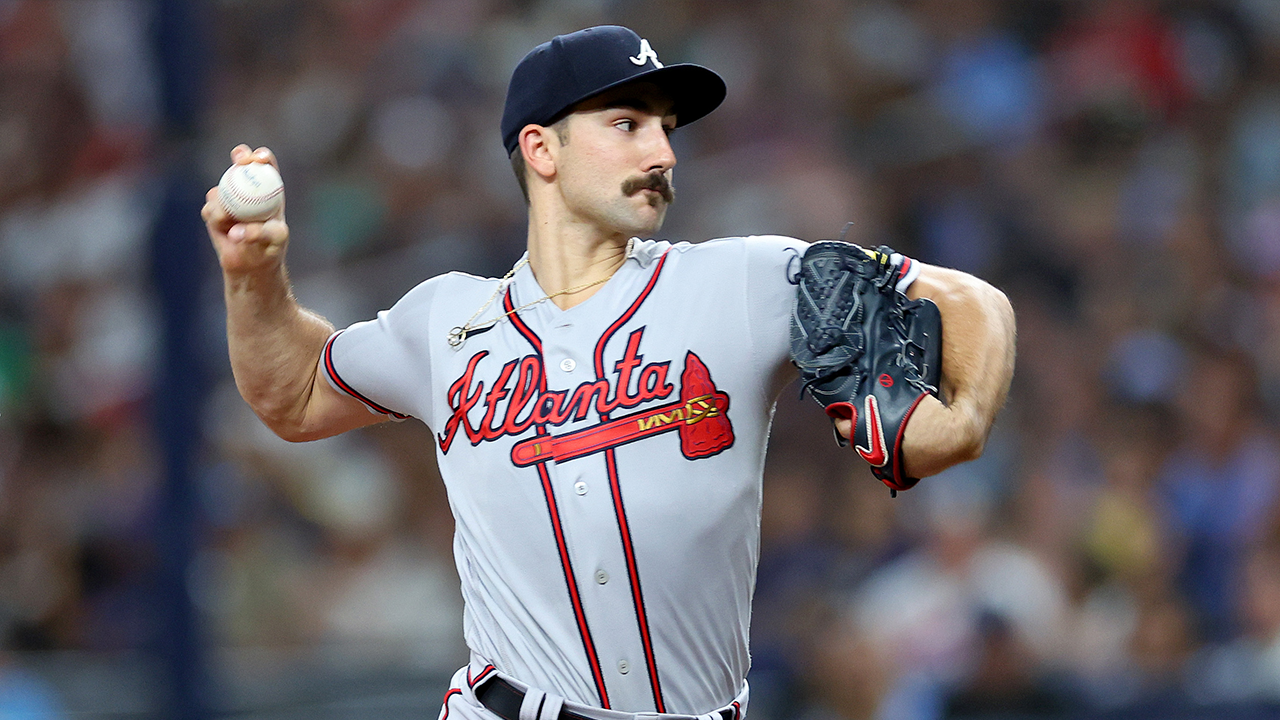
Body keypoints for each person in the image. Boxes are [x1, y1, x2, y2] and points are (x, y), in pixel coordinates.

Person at [201, 25, 1015, 720]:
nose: (662, 152)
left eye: (667, 129)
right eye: (627, 123)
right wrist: (253, 279)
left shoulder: (745, 279)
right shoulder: (443, 322)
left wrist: (967, 414)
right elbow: (294, 392)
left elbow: (973, 299)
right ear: (540, 148)